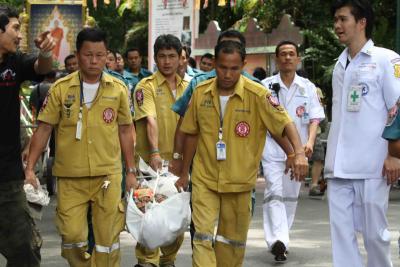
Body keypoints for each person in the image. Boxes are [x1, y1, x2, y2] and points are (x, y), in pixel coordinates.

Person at [175, 40, 308, 267]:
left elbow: (284, 122)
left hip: (240, 182)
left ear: (243, 65)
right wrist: (183, 171)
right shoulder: (200, 93)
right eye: (222, 67)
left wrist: (297, 153)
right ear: (215, 64)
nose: (227, 74)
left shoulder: (258, 94)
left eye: (234, 68)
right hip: (204, 179)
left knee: (232, 242)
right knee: (202, 236)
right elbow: (191, 133)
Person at [25, 27, 137, 267]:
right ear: (77, 55)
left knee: (108, 238)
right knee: (72, 237)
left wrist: (131, 171)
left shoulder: (118, 89)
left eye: (100, 55)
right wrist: (30, 169)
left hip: (107, 176)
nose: (94, 60)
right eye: (88, 55)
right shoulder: (60, 89)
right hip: (70, 178)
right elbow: (43, 128)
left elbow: (126, 130)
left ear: (107, 55)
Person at [326, 1, 400, 266]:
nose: (337, 25)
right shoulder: (339, 65)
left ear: (362, 22)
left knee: (375, 236)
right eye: (335, 19)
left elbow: (397, 107)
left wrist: (395, 154)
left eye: (343, 19)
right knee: (341, 236)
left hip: (373, 164)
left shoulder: (385, 59)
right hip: (338, 166)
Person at [0, 5, 55, 267]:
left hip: (8, 178)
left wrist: (45, 51)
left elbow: (41, 66)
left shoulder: (15, 62)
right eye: (15, 28)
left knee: (26, 253)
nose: (20, 35)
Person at [261, 41, 325, 262]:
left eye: (291, 54)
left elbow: (315, 117)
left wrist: (309, 142)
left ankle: (282, 239)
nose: (287, 58)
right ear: (277, 59)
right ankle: (277, 240)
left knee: (290, 196)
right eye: (283, 54)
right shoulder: (265, 86)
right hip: (272, 149)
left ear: (298, 59)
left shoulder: (307, 87)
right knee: (274, 191)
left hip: (299, 153)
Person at [133, 34, 189, 267]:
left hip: (180, 164)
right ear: (155, 58)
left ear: (180, 59)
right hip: (150, 166)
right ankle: (147, 262)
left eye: (172, 56)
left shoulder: (189, 88)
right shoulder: (145, 87)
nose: (167, 61)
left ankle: (168, 261)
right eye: (162, 56)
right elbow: (150, 121)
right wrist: (155, 152)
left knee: (176, 216)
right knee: (150, 216)